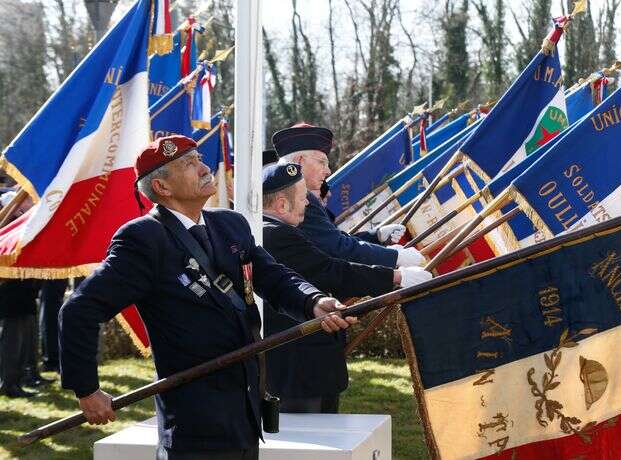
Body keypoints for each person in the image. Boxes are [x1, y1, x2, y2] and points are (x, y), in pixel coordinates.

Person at [58, 135, 357, 459]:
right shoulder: (143, 240)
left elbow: (272, 275)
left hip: (244, 409)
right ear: (162, 187)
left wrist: (312, 301)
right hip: (195, 420)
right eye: (189, 164)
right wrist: (86, 388)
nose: (203, 167)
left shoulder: (230, 224)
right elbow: (79, 309)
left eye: (199, 158)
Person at [261, 163, 431, 413]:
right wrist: (396, 277)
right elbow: (332, 271)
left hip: (302, 362)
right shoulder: (276, 235)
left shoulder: (274, 231)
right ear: (282, 205)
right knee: (311, 443)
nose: (308, 204)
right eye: (302, 199)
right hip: (298, 369)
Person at [272, 123, 425, 269]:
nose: (328, 171)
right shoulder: (298, 197)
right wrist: (394, 256)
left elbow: (333, 239)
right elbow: (338, 248)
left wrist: (375, 235)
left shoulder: (282, 189)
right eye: (322, 162)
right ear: (300, 161)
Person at [0, 191, 44, 398]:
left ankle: (23, 377)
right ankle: (10, 383)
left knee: (25, 338)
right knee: (12, 341)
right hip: (12, 294)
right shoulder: (9, 229)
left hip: (24, 292)